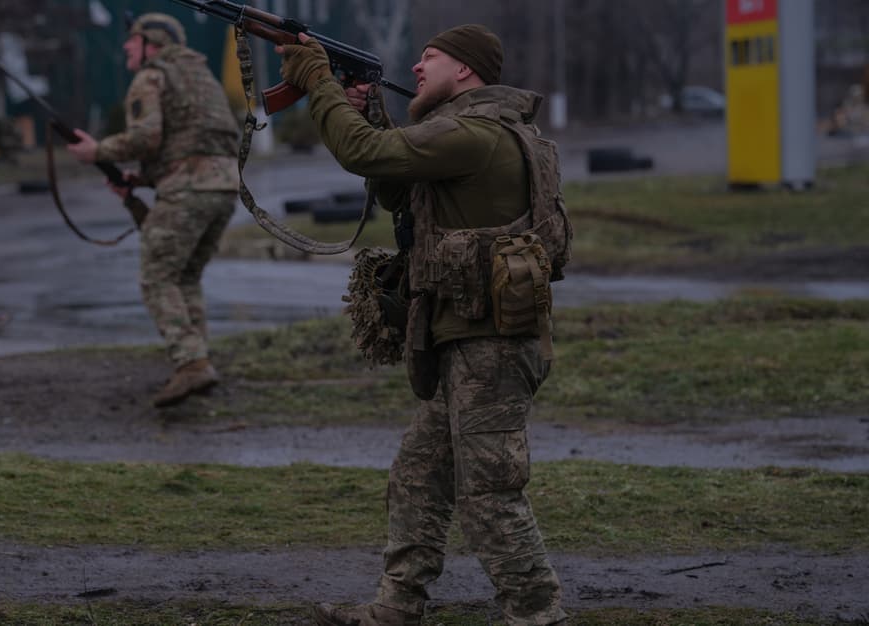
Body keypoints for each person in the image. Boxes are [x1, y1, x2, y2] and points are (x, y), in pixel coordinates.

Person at [277, 25, 569, 626]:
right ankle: (397, 605)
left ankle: (538, 613)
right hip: (470, 338)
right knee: (418, 474)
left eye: (430, 58)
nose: (415, 66)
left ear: (463, 70)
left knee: (490, 494)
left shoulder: (472, 134)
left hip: (489, 348)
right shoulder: (475, 132)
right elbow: (395, 190)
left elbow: (363, 154)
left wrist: (317, 79)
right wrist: (367, 111)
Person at [65, 13, 240, 408]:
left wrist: (97, 151)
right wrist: (140, 181)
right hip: (224, 189)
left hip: (188, 189)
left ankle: (191, 363)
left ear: (153, 44)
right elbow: (194, 142)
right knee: (185, 276)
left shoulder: (152, 76)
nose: (127, 46)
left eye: (134, 39)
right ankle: (198, 360)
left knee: (157, 278)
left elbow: (146, 138)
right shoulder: (200, 77)